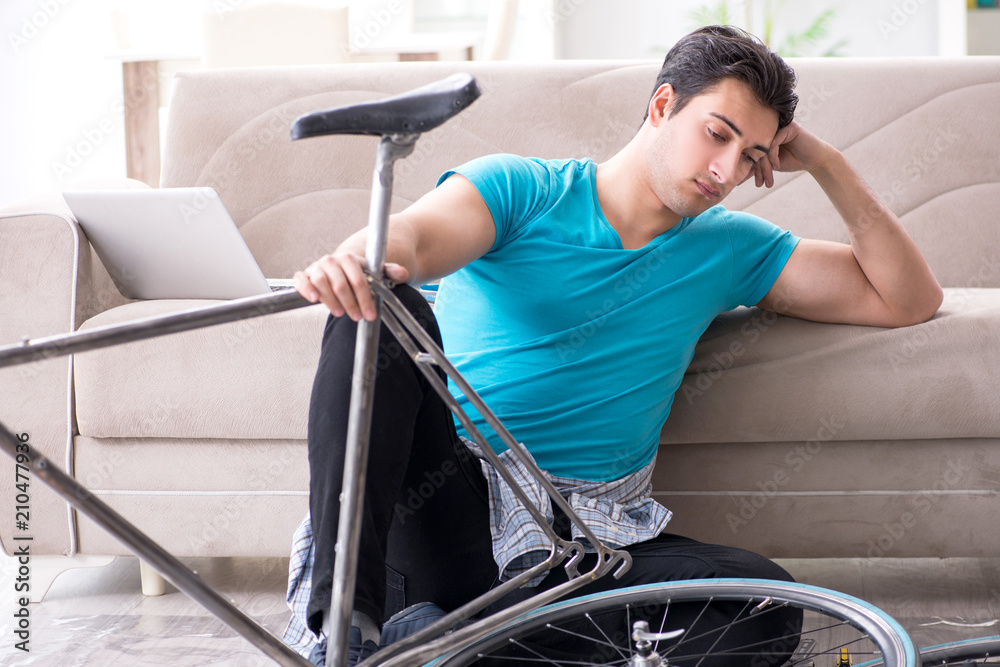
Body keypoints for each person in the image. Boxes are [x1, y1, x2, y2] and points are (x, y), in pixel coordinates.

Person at [289, 25, 943, 666]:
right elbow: (408, 240)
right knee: (377, 303)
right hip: (445, 516)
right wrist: (354, 261)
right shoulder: (519, 190)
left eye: (750, 155)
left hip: (583, 541)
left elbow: (907, 298)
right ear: (663, 105)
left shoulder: (729, 246)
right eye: (717, 133)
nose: (726, 169)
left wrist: (828, 164)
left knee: (766, 605)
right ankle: (349, 630)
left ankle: (453, 644)